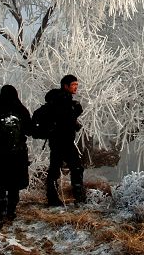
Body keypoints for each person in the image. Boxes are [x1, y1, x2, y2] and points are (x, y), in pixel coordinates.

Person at [0, 85, 32, 231]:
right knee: (14, 184)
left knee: (0, 184)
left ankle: (0, 215)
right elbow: (29, 129)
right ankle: (11, 211)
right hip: (18, 153)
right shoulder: (22, 110)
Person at [44, 74, 85, 207]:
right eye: (73, 85)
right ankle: (79, 198)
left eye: (76, 85)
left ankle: (53, 199)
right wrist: (75, 110)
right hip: (62, 141)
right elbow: (64, 119)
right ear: (65, 86)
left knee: (55, 169)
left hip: (58, 141)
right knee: (76, 167)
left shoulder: (59, 99)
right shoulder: (62, 100)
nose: (75, 88)